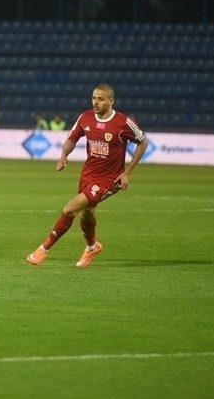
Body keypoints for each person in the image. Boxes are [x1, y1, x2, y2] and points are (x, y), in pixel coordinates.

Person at [26, 84, 148, 267]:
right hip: (88, 174)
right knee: (87, 214)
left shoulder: (123, 122)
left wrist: (127, 172)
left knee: (70, 209)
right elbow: (72, 138)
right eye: (93, 98)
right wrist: (63, 156)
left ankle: (42, 250)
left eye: (101, 99)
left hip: (109, 179)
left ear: (111, 101)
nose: (96, 102)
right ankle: (92, 247)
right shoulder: (85, 117)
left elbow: (142, 143)